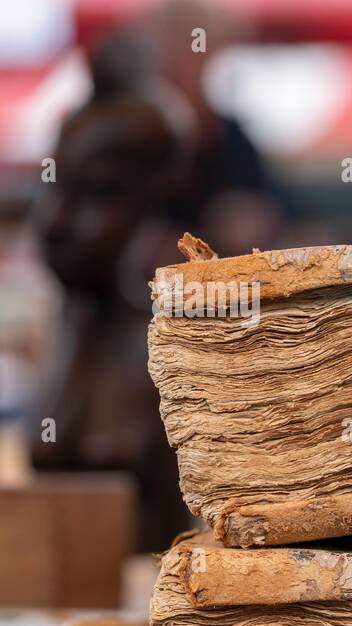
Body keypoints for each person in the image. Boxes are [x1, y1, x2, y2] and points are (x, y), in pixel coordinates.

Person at [29, 32, 197, 551]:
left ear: (152, 199)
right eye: (56, 189)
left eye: (98, 192)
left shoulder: (175, 341)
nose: (55, 223)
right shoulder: (72, 328)